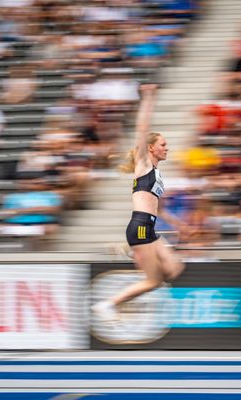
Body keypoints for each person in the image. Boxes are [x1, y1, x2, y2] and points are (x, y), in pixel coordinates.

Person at [91, 84, 184, 321]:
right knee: (153, 281)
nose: (167, 147)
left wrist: (174, 220)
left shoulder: (156, 174)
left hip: (148, 227)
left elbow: (156, 204)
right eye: (163, 144)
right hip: (141, 227)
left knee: (175, 268)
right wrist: (149, 97)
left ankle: (132, 252)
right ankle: (109, 304)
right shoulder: (143, 164)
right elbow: (141, 129)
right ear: (151, 148)